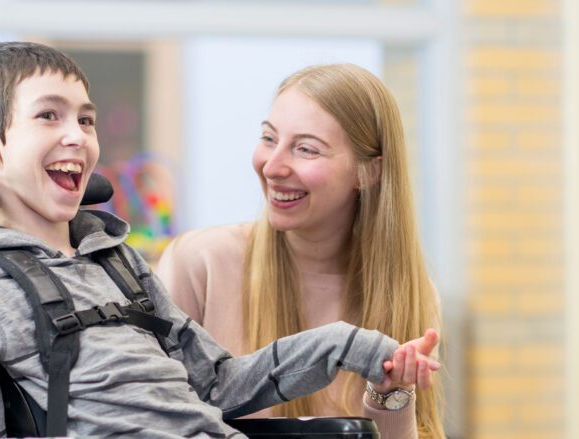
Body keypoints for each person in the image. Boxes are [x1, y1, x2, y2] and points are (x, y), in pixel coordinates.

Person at [0, 42, 439, 438]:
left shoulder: (118, 263)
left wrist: (353, 345)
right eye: (49, 115)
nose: (76, 135)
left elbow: (215, 384)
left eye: (87, 119)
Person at [157, 64, 446, 439]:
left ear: (368, 172)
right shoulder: (198, 263)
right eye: (268, 138)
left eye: (305, 149)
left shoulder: (411, 294)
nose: (273, 166)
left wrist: (390, 397)